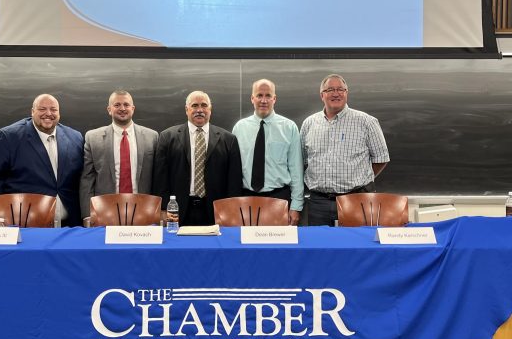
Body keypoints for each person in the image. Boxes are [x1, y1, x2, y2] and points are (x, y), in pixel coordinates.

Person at [0, 94, 84, 226]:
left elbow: (82, 179)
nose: (48, 113)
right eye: (42, 109)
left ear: (59, 113)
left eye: (53, 109)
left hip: (70, 225)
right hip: (23, 225)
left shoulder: (75, 137)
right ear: (32, 111)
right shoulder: (7, 137)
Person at [300, 74, 390, 226]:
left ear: (346, 93)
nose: (336, 93)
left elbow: (381, 159)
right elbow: (302, 160)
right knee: (321, 246)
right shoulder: (309, 123)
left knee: (357, 246)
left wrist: (359, 181)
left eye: (340, 89)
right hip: (318, 203)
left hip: (356, 200)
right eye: (330, 90)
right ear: (322, 95)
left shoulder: (366, 122)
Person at [153, 91, 242, 226]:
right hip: (178, 209)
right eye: (194, 105)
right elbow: (161, 178)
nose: (199, 110)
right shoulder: (167, 137)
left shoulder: (228, 140)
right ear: (186, 109)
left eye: (204, 105)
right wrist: (164, 208)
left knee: (215, 247)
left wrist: (231, 209)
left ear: (210, 109)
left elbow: (234, 181)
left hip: (215, 210)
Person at [232, 79, 304, 226]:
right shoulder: (239, 128)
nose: (263, 100)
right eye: (259, 95)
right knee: (245, 247)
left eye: (268, 95)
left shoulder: (289, 127)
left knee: (278, 247)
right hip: (246, 199)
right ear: (252, 98)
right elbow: (232, 169)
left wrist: (296, 206)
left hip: (279, 199)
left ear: (274, 99)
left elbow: (296, 170)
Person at [79, 90, 158, 218]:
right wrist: (88, 215)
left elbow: (158, 177)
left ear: (133, 109)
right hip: (104, 211)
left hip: (143, 210)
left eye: (126, 105)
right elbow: (87, 179)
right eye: (117, 105)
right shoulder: (93, 138)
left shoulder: (152, 137)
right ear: (109, 109)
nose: (122, 108)